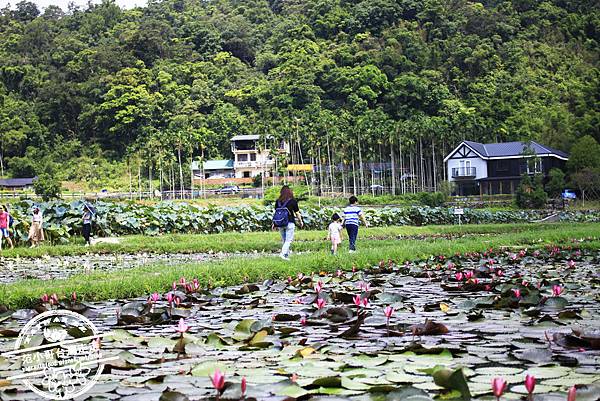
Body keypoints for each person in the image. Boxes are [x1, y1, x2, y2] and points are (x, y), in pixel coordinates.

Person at [272, 185, 303, 261]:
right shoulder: (293, 201)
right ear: (290, 192)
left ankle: (286, 255)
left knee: (284, 240)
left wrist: (274, 223)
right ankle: (282, 255)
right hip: (290, 223)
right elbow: (297, 213)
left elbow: (276, 213)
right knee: (288, 241)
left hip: (280, 223)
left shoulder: (278, 201)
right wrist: (300, 221)